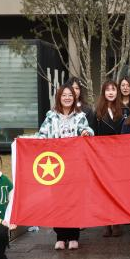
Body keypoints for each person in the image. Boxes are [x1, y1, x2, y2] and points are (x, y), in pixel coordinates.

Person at [37, 84, 94, 249]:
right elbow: (42, 135)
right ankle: (60, 236)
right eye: (64, 95)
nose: (67, 98)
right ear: (59, 98)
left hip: (75, 165)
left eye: (70, 95)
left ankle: (74, 236)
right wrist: (27, 142)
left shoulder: (80, 116)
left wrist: (87, 133)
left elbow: (89, 131)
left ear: (74, 98)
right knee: (58, 201)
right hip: (55, 165)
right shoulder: (50, 116)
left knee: (74, 200)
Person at [93, 79, 124, 238]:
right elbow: (94, 134)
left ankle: (116, 222)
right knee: (104, 190)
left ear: (117, 92)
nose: (111, 92)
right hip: (102, 155)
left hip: (119, 155)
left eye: (113, 89)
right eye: (107, 90)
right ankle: (106, 223)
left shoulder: (124, 110)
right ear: (103, 92)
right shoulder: (98, 112)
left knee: (116, 189)